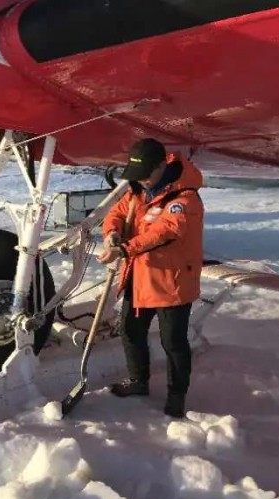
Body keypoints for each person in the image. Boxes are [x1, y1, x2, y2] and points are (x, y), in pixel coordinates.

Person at [98, 138, 204, 418]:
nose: (141, 180)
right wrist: (112, 233)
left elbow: (165, 232)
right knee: (131, 331)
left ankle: (177, 394)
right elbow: (117, 213)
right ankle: (138, 380)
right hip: (140, 277)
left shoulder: (185, 198)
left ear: (160, 166)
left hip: (171, 282)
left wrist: (124, 249)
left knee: (173, 342)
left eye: (145, 174)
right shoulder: (138, 191)